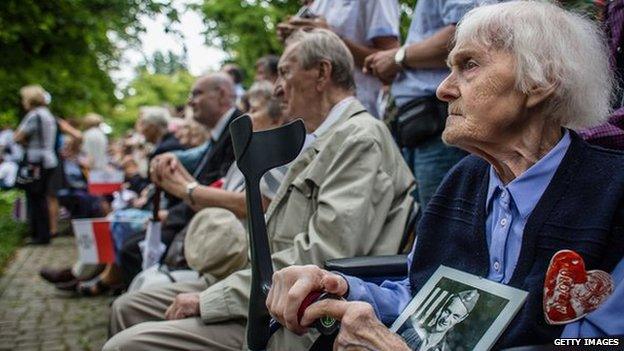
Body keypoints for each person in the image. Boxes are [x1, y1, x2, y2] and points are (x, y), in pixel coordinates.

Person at [266, 2, 624, 350]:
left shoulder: (613, 193)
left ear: (542, 80)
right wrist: (339, 286)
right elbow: (423, 294)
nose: (443, 89)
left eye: (468, 65)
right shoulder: (463, 180)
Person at [104, 28, 414, 350]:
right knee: (128, 308)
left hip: (293, 319)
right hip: (262, 292)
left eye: (284, 73)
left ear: (322, 72)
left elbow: (322, 257)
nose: (277, 90)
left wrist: (211, 299)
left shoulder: (359, 139)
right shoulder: (325, 138)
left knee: (126, 344)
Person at [364, 0, 485, 208]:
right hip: (419, 131)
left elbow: (468, 31)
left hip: (439, 128)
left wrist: (398, 57)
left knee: (440, 226)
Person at [278, 0, 401, 118]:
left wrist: (331, 37)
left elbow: (390, 60)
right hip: (316, 118)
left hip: (358, 113)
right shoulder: (317, 4)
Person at [13, 85, 59, 245]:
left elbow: (18, 137)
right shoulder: (48, 115)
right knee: (41, 197)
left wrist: (23, 141)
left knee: (35, 197)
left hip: (36, 160)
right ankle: (42, 232)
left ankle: (40, 234)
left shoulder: (34, 115)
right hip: (49, 159)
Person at [401, 290, 479, 351]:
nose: (446, 319)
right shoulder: (411, 333)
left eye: (455, 316)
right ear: (443, 308)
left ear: (462, 318)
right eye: (447, 311)